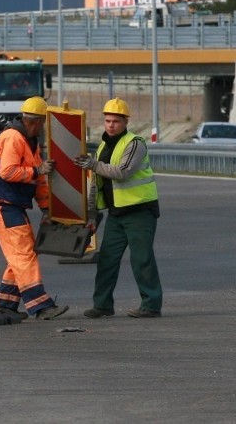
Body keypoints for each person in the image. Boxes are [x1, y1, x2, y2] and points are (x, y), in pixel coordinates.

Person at [73, 97, 163, 319]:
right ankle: (102, 305)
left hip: (139, 212)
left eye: (115, 121)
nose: (111, 125)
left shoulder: (135, 143)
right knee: (107, 261)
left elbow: (122, 172)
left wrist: (93, 164)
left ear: (125, 122)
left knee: (142, 259)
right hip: (116, 213)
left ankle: (151, 305)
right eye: (107, 120)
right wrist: (92, 214)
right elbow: (96, 183)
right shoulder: (104, 146)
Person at [0, 96, 68, 320]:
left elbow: (39, 180)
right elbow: (8, 172)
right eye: (43, 123)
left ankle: (6, 304)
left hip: (12, 204)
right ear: (36, 121)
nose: (44, 127)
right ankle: (41, 306)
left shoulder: (29, 141)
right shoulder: (14, 138)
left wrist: (46, 207)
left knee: (19, 255)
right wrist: (37, 170)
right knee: (24, 254)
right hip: (5, 204)